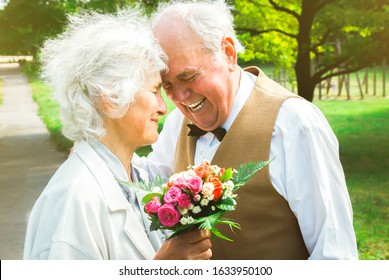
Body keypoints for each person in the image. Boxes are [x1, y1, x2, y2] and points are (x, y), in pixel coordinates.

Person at [135, 0, 358, 259]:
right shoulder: (176, 124)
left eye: (188, 76)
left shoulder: (295, 125)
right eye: (167, 84)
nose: (180, 96)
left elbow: (334, 254)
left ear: (228, 53)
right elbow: (143, 183)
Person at [23, 8, 212, 260]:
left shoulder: (134, 176)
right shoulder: (72, 201)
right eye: (155, 90)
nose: (162, 107)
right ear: (111, 97)